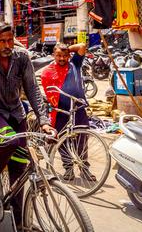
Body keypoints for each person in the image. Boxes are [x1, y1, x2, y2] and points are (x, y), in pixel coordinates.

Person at [0, 22, 55, 228]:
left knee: (19, 171)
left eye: (10, 40)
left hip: (16, 112)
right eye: (1, 41)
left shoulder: (22, 57)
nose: (6, 44)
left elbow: (32, 90)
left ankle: (20, 225)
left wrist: (44, 122)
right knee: (9, 143)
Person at [41, 42, 96, 182]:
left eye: (65, 56)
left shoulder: (74, 64)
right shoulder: (47, 71)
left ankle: (84, 168)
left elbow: (82, 46)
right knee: (62, 140)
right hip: (60, 111)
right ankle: (68, 168)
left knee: (82, 139)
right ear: (53, 55)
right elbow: (49, 94)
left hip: (78, 108)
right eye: (58, 55)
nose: (62, 58)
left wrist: (67, 49)